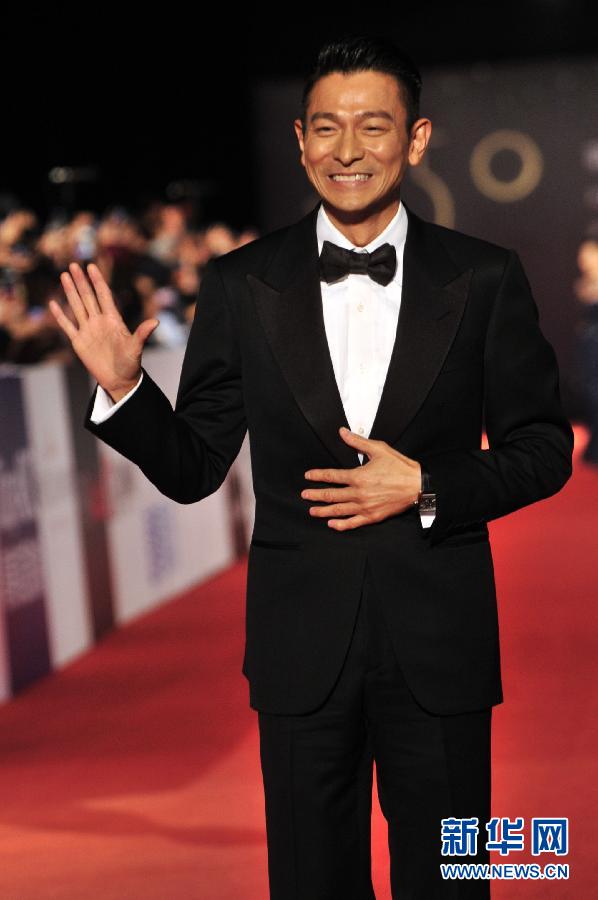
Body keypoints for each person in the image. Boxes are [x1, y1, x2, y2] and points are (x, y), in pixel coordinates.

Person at [49, 35, 573, 900]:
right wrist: (126, 389)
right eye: (327, 127)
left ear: (416, 139)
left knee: (455, 878)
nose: (348, 149)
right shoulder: (240, 283)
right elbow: (194, 468)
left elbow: (544, 449)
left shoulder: (485, 277)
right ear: (299, 141)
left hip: (440, 645)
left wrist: (427, 484)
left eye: (374, 126)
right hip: (300, 652)